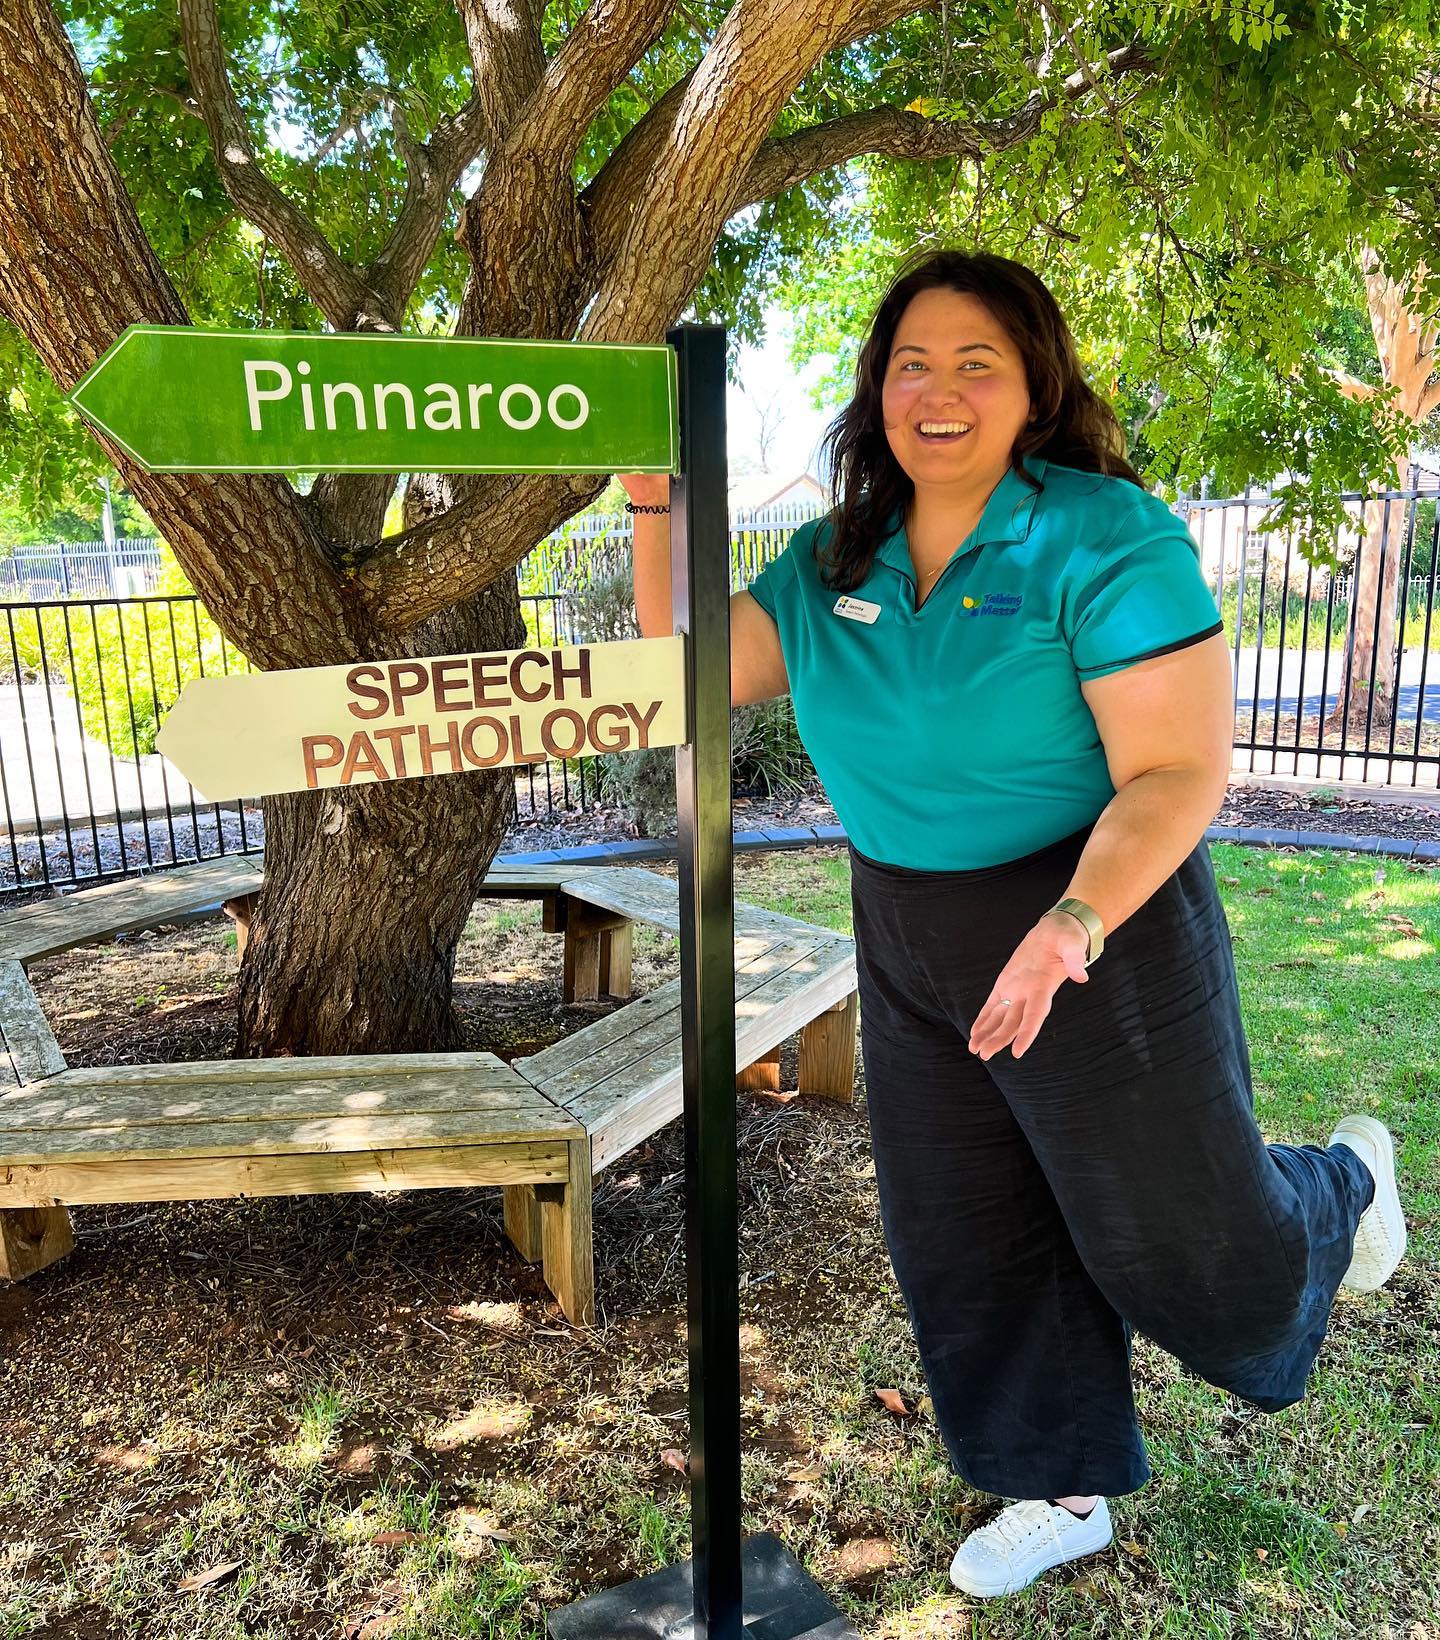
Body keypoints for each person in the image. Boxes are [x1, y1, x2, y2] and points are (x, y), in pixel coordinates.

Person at [617, 247, 1407, 1600]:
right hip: (907, 926)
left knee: (1184, 1251)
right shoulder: (834, 558)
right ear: (876, 393)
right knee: (968, 1229)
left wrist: (1071, 925)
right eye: (910, 362)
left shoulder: (1101, 535)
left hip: (1094, 921)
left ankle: (1340, 1195)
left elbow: (1175, 772)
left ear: (1033, 385)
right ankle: (1059, 1484)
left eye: (976, 361)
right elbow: (685, 664)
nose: (939, 389)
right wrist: (648, 500)